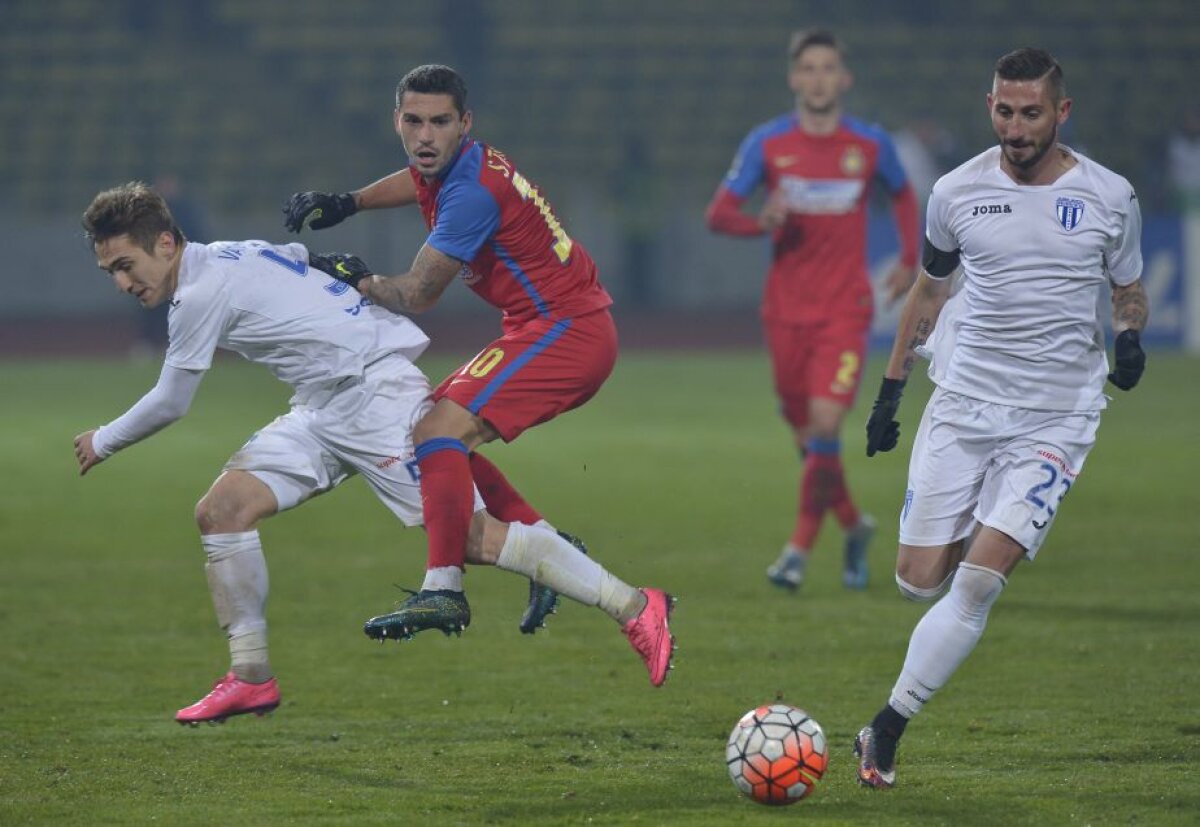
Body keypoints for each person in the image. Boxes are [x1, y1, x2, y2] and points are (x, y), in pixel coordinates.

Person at [74, 184, 678, 727]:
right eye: (109, 273)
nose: (123, 283)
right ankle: (251, 675)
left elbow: (172, 401)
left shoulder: (198, 291)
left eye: (126, 265)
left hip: (374, 399)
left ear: (165, 242)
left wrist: (102, 440)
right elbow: (298, 256)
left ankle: (632, 604)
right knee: (222, 512)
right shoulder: (227, 254)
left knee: (471, 540)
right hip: (320, 408)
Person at [280, 64, 675, 683]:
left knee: (436, 431)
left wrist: (358, 278)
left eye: (440, 122)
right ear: (397, 121)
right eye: (414, 121)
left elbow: (417, 294)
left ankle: (444, 587)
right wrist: (349, 201)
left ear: (465, 123)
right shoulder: (456, 163)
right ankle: (549, 548)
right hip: (544, 326)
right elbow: (417, 179)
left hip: (567, 332)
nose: (425, 136)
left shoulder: (471, 195)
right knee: (435, 433)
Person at [854, 48, 1148, 789]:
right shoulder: (955, 192)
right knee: (918, 581)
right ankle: (981, 526)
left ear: (1062, 112)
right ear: (990, 106)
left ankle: (886, 726)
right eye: (1005, 112)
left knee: (980, 583)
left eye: (1031, 114)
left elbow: (1129, 289)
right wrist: (890, 393)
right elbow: (928, 293)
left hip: (1057, 416)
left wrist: (1131, 337)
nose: (1016, 129)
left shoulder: (1111, 196)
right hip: (964, 403)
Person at [705, 28, 920, 594]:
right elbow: (719, 213)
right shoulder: (768, 143)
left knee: (825, 424)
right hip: (784, 312)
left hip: (845, 310)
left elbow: (902, 193)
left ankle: (796, 551)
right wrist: (760, 222)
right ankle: (854, 526)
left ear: (844, 79)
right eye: (809, 68)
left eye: (828, 68)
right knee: (809, 438)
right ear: (794, 79)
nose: (819, 79)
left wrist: (909, 258)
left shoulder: (869, 144)